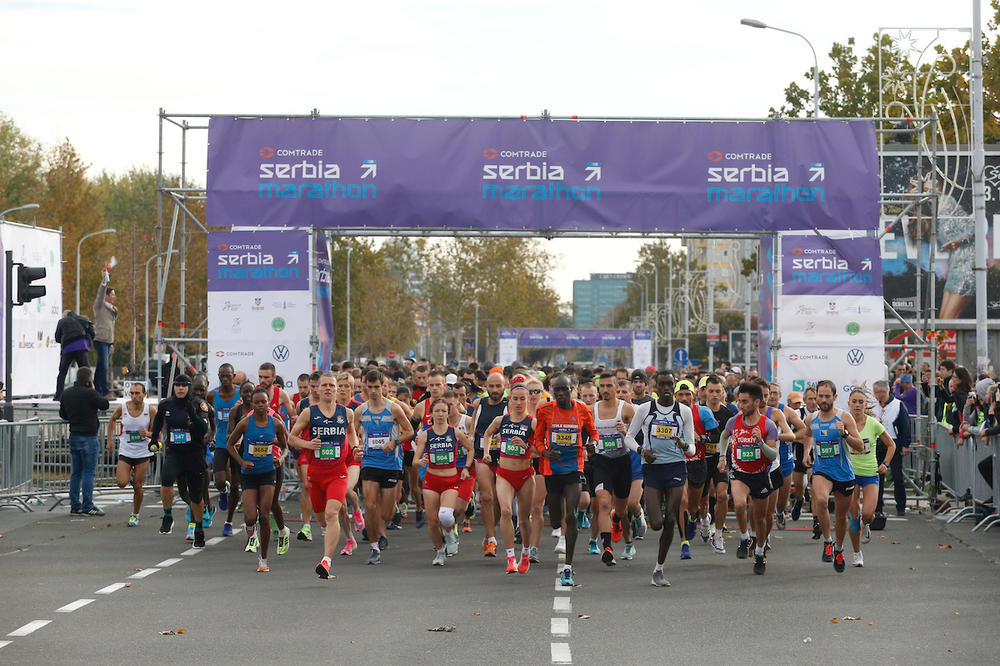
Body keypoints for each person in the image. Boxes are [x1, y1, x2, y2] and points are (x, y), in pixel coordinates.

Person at [288, 372, 360, 579]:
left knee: (331, 514)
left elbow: (352, 433)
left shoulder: (346, 413)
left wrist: (355, 449)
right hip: (316, 473)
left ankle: (326, 562)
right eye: (324, 385)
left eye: (332, 385)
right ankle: (337, 537)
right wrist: (308, 444)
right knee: (322, 519)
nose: (328, 388)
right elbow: (292, 439)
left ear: (337, 390)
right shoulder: (309, 413)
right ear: (318, 389)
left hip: (338, 472)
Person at [626, 371, 695, 586]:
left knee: (671, 519)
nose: (666, 388)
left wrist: (684, 445)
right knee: (657, 523)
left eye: (670, 385)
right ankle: (646, 518)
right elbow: (628, 437)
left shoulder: (684, 411)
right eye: (662, 384)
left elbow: (692, 448)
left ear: (674, 387)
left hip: (676, 467)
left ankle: (659, 569)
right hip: (652, 468)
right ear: (654, 388)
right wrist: (641, 451)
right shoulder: (645, 409)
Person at [534, 374, 598, 586]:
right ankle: (557, 524)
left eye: (565, 390)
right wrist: (544, 452)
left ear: (573, 389)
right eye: (557, 390)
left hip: (574, 467)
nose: (561, 393)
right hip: (552, 469)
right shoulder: (544, 410)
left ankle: (568, 567)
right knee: (555, 518)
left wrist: (592, 445)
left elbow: (593, 433)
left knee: (570, 515)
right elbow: (537, 439)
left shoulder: (582, 409)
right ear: (552, 391)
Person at [717, 381, 779, 575]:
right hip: (739, 473)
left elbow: (772, 455)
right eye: (739, 401)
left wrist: (760, 441)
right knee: (740, 505)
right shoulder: (734, 421)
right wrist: (722, 456)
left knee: (760, 520)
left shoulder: (768, 425)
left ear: (756, 402)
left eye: (744, 402)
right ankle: (744, 538)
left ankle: (759, 552)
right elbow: (724, 436)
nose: (740, 405)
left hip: (760, 475)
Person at [803, 380, 865, 573]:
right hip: (822, 470)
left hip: (844, 474)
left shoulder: (844, 417)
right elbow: (808, 435)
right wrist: (807, 452)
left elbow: (860, 446)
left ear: (835, 397)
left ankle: (838, 547)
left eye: (827, 396)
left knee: (840, 517)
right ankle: (828, 541)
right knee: (820, 500)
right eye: (820, 396)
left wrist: (845, 433)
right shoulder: (811, 419)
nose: (822, 400)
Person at [227, 387, 289, 573]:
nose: (260, 405)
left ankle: (263, 559)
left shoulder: (276, 423)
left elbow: (286, 447)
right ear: (252, 405)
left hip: (268, 473)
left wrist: (281, 458)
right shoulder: (245, 423)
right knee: (250, 517)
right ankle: (249, 527)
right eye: (257, 402)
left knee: (264, 515)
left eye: (264, 402)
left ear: (268, 403)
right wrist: (241, 461)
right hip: (249, 475)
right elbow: (230, 444)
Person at [355, 370, 414, 565]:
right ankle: (374, 548)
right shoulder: (361, 411)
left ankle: (382, 527)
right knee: (370, 506)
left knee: (387, 513)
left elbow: (410, 431)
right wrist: (356, 447)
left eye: (376, 387)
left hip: (391, 463)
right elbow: (352, 434)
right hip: (370, 462)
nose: (373, 391)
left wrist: (394, 442)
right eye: (369, 387)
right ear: (365, 387)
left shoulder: (394, 409)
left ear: (384, 387)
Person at [482, 382, 538, 575]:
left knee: (523, 519)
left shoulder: (532, 422)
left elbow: (540, 452)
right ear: (510, 400)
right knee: (505, 511)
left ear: (529, 400)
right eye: (515, 399)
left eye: (523, 399)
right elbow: (487, 434)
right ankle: (510, 558)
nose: (519, 403)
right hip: (504, 474)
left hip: (525, 475)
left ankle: (525, 552)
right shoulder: (501, 420)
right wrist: (487, 452)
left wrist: (526, 446)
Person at [149, 374, 211, 547]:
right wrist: (154, 438)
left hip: (194, 453)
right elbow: (158, 422)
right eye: (178, 385)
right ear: (174, 387)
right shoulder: (166, 404)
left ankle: (199, 530)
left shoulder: (198, 404)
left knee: (196, 497)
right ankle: (167, 516)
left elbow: (203, 428)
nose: (181, 388)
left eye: (184, 385)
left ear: (189, 388)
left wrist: (193, 414)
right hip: (174, 452)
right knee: (166, 480)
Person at [412, 398, 474, 566]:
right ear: (431, 414)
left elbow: (470, 449)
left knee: (445, 515)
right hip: (431, 481)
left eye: (443, 411)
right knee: (432, 521)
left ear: (448, 413)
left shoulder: (455, 432)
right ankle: (440, 551)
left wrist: (467, 468)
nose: (440, 414)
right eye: (437, 411)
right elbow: (414, 461)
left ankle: (449, 532)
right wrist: (421, 461)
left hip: (450, 480)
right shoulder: (426, 434)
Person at [846, 388, 895, 567]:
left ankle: (866, 523)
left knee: (867, 514)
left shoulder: (873, 423)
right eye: (854, 401)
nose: (857, 405)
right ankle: (857, 553)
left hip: (870, 474)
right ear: (849, 403)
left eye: (861, 402)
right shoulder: (843, 423)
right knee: (853, 516)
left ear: (866, 405)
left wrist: (886, 464)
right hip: (849, 475)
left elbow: (891, 445)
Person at [59, 367, 110, 516]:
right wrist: (94, 389)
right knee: (88, 472)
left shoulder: (66, 393)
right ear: (89, 380)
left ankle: (75, 505)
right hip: (89, 437)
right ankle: (88, 505)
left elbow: (63, 414)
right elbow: (105, 404)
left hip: (74, 435)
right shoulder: (90, 393)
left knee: (76, 473)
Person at [106, 381, 156, 526]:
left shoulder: (151, 410)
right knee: (121, 483)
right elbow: (113, 419)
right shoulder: (123, 407)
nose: (134, 396)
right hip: (126, 450)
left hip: (143, 452)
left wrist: (148, 434)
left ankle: (135, 514)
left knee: (138, 486)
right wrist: (110, 440)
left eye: (137, 393)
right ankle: (131, 474)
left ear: (144, 394)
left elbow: (157, 432)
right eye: (132, 393)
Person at [471, 371, 509, 557]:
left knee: (497, 500)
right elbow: (473, 428)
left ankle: (490, 531)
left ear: (505, 386)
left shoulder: (510, 405)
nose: (495, 390)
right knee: (486, 497)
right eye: (491, 386)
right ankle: (491, 539)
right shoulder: (480, 403)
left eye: (498, 386)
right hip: (481, 455)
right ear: (485, 387)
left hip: (502, 457)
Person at [208, 364, 241, 536]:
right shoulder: (212, 395)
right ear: (219, 376)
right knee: (219, 480)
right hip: (221, 443)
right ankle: (223, 490)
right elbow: (209, 419)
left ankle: (228, 522)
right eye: (222, 376)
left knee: (236, 486)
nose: (225, 379)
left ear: (233, 375)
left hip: (237, 445)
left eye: (228, 375)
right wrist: (211, 435)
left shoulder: (241, 393)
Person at [872, 380, 912, 519]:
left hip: (893, 443)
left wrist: (905, 444)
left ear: (883, 392)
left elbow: (905, 425)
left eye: (876, 392)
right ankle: (877, 506)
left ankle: (901, 505)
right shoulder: (874, 405)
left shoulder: (898, 405)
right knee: (878, 476)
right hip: (877, 443)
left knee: (897, 476)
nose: (874, 395)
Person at [54, 309, 93, 400]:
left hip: (68, 348)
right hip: (81, 346)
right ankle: (90, 393)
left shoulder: (62, 321)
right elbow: (92, 332)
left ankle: (58, 395)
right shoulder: (84, 319)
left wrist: (64, 341)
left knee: (62, 372)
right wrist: (87, 343)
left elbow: (57, 337)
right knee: (86, 371)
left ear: (65, 315)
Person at [92, 270, 118, 397]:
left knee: (100, 366)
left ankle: (96, 389)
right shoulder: (100, 305)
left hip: (108, 341)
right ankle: (104, 391)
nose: (114, 296)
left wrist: (112, 343)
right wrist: (104, 281)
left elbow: (111, 327)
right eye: (112, 294)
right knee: (104, 366)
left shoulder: (113, 309)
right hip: (100, 339)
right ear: (107, 296)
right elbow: (100, 294)